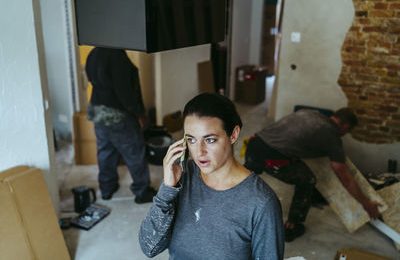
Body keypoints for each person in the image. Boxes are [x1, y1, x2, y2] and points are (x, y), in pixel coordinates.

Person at [139, 93, 284, 259]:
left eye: (210, 140)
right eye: (191, 140)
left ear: (233, 135)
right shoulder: (183, 177)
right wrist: (167, 190)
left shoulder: (261, 203)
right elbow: (149, 247)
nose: (199, 152)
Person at [244, 108, 382, 242]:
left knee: (246, 180)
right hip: (270, 158)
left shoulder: (311, 113)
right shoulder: (330, 134)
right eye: (347, 132)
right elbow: (343, 175)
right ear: (345, 127)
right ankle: (292, 226)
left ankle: (233, 209)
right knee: (308, 180)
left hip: (254, 144)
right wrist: (365, 203)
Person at [85, 47, 156, 203]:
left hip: (98, 111)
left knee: (105, 152)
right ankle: (142, 191)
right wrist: (138, 113)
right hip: (118, 114)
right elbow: (125, 91)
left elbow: (91, 79)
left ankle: (106, 188)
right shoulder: (117, 57)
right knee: (134, 151)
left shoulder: (94, 53)